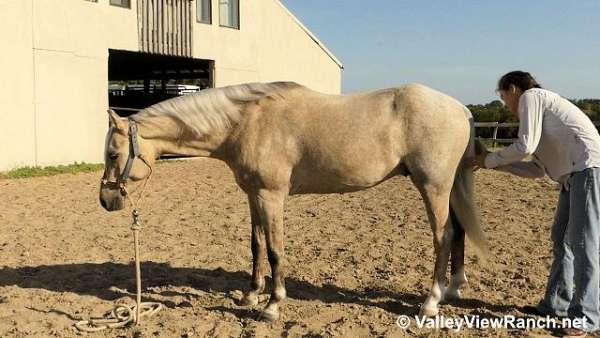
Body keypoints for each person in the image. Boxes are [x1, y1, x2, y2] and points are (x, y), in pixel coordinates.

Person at [470, 71, 600, 337]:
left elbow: (525, 146)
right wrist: (493, 164)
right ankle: (555, 305)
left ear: (513, 89)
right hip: (571, 176)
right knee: (562, 240)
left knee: (584, 242)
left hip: (587, 170)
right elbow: (536, 170)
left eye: (503, 96)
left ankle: (586, 316)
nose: (505, 103)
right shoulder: (543, 113)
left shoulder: (532, 97)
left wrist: (491, 159)